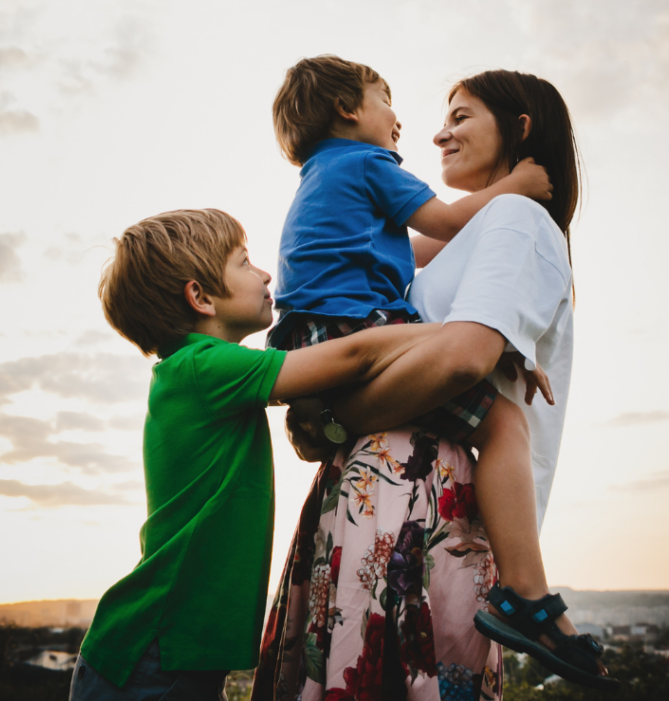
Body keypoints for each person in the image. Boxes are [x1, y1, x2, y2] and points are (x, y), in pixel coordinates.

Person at [253, 68, 615, 699]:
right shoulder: (457, 223)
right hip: (392, 489)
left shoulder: (512, 217)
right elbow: (449, 331)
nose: (437, 133)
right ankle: (528, 596)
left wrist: (334, 418)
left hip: (400, 492)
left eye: (460, 117)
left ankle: (526, 593)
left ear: (519, 129)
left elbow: (461, 356)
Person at [71, 208, 445, 701]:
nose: (266, 273)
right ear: (199, 297)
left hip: (175, 653)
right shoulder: (200, 368)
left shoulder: (204, 376)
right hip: (152, 653)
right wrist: (469, 334)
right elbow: (355, 356)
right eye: (245, 262)